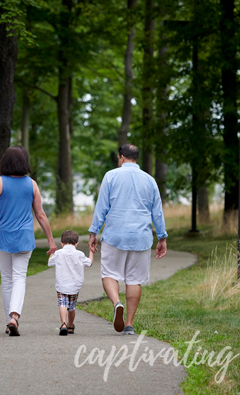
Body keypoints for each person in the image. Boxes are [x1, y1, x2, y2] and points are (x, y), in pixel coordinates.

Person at [88, 143, 168, 335]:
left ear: (121, 157)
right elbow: (157, 211)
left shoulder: (111, 176)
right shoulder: (150, 180)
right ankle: (129, 324)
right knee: (134, 280)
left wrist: (93, 232)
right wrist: (162, 237)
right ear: (136, 158)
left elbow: (102, 208)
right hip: (141, 236)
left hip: (115, 234)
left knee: (109, 274)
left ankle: (117, 304)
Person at [0, 146, 57, 336]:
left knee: (7, 279)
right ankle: (15, 316)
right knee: (20, 277)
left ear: (5, 161)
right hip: (24, 236)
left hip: (3, 237)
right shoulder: (32, 184)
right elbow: (40, 214)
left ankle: (9, 321)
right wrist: (51, 241)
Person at [48, 230, 94, 336]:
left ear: (61, 243)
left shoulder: (58, 253)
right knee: (72, 307)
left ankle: (63, 324)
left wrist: (51, 252)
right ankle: (70, 325)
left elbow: (50, 263)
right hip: (75, 286)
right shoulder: (80, 254)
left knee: (63, 304)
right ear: (76, 243)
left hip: (62, 284)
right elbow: (90, 263)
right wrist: (91, 251)